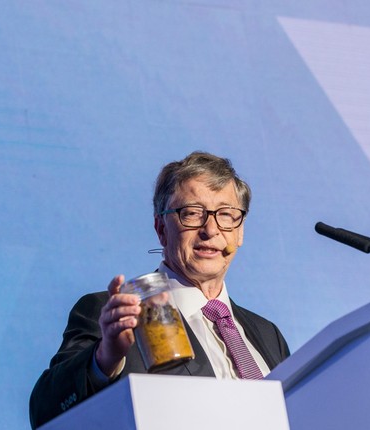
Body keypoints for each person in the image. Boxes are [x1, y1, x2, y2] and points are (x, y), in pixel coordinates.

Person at [29, 152, 290, 428]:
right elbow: (45, 413)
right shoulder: (118, 315)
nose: (211, 230)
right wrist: (105, 357)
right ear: (161, 228)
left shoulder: (267, 334)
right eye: (192, 214)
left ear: (240, 232)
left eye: (226, 215)